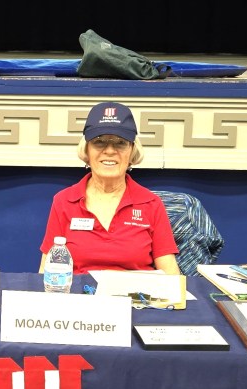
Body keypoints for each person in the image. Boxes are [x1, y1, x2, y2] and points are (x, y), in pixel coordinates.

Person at [39, 101, 181, 275]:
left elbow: (170, 274)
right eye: (99, 142)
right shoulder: (64, 201)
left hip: (135, 292)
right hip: (78, 292)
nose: (110, 151)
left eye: (120, 143)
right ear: (86, 150)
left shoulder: (151, 204)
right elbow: (47, 270)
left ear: (132, 151)